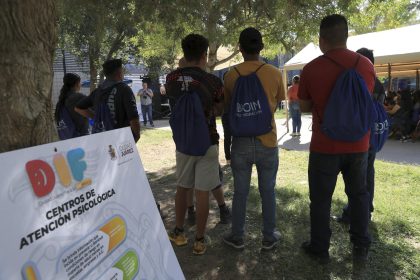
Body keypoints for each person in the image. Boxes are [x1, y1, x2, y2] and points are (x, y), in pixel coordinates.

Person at [298, 14, 375, 262]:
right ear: (346, 36)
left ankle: (320, 248)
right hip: (359, 143)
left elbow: (304, 107)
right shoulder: (365, 65)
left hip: (325, 145)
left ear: (322, 40)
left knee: (320, 200)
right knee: (359, 195)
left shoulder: (310, 69)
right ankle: (360, 246)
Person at [222, 27, 285, 251]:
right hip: (268, 140)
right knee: (268, 190)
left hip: (240, 142)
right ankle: (269, 236)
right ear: (261, 47)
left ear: (240, 48)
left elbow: (228, 107)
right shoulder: (275, 73)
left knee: (240, 191)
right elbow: (277, 103)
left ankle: (237, 235)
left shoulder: (230, 75)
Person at [166, 34, 224, 255]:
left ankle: (179, 232)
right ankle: (199, 240)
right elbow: (220, 109)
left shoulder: (170, 79)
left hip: (183, 143)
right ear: (203, 55)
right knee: (202, 192)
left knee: (182, 187)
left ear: (184, 53)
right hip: (207, 141)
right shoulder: (212, 81)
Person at [332, 47, 385, 224]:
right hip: (374, 135)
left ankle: (353, 214)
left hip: (361, 135)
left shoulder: (357, 79)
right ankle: (366, 210)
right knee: (368, 173)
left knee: (356, 181)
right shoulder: (379, 84)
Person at [75, 59, 140, 142]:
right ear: (119, 73)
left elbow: (78, 108)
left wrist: (96, 117)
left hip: (101, 139)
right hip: (121, 139)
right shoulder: (124, 89)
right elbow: (133, 117)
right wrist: (136, 136)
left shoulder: (98, 91)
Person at [54, 73, 89, 138]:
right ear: (76, 84)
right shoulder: (78, 97)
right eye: (79, 83)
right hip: (80, 136)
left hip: (67, 137)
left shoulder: (61, 100)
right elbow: (93, 109)